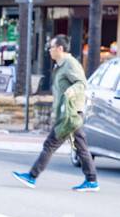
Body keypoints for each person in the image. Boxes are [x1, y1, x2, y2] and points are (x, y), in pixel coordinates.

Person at [14, 34, 98, 191]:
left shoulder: (71, 64)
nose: (49, 51)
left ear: (60, 48)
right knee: (81, 147)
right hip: (68, 114)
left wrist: (71, 92)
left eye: (51, 48)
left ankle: (32, 176)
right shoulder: (60, 66)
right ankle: (92, 180)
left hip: (70, 115)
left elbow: (82, 83)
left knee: (50, 144)